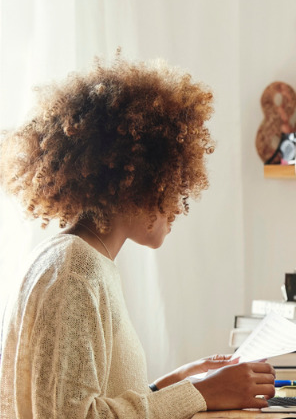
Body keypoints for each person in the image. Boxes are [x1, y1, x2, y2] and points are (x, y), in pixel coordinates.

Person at [0, 57, 276, 418]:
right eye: (175, 181)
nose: (179, 201)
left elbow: (95, 399)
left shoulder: (85, 260)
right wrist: (201, 393)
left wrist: (175, 382)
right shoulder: (74, 269)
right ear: (142, 178)